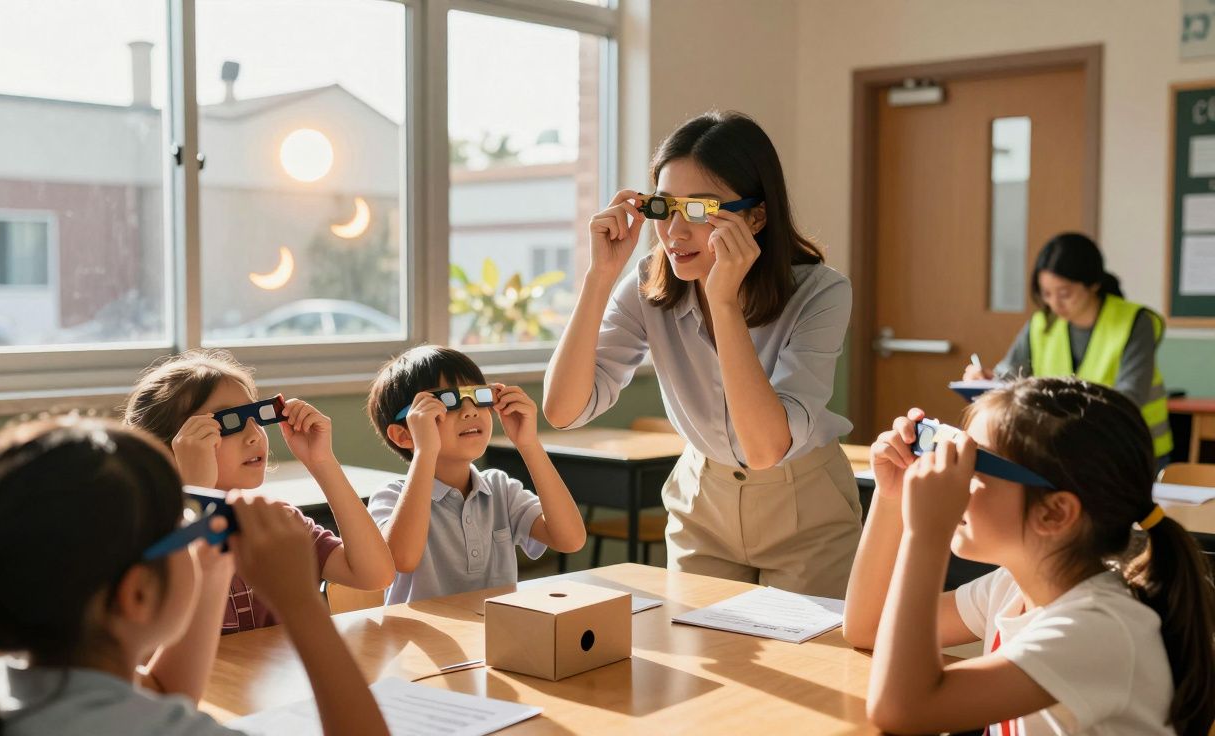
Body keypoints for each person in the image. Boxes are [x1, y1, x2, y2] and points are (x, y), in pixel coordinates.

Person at [0, 417, 388, 736]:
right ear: (136, 594)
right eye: (183, 525)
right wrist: (301, 605)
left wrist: (213, 567)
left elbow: (165, 692)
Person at [543, 110, 860, 597]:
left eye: (698, 210)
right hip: (702, 502)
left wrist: (724, 302)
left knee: (804, 667)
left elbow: (764, 448)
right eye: (663, 207)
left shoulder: (822, 293)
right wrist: (599, 277)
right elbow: (563, 411)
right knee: (698, 661)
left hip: (804, 506)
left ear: (756, 216)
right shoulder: (649, 284)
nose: (673, 231)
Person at [844, 377, 1215, 735]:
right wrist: (892, 497)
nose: (948, 476)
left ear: (1054, 512)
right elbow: (867, 627)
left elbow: (904, 710)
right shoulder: (1011, 587)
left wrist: (925, 534)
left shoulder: (1098, 628)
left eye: (973, 464)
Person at [124, 349, 394, 633]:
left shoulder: (277, 522)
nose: (255, 435)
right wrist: (195, 493)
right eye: (230, 423)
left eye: (255, 416)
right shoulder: (145, 537)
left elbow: (375, 575)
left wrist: (323, 463)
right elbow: (161, 620)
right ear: (170, 449)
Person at [365, 345, 586, 604]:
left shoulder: (500, 489)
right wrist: (425, 451)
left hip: (493, 636)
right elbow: (402, 559)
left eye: (479, 396)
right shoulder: (391, 496)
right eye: (446, 401)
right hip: (423, 642)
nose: (470, 410)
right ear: (404, 435)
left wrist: (528, 444)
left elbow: (570, 539)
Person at [963, 232, 1172, 460]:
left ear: (1093, 284)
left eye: (1064, 293)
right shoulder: (1042, 324)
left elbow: (1130, 397)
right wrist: (986, 378)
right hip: (1065, 450)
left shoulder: (1134, 321)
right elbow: (1008, 375)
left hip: (1130, 449)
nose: (1054, 303)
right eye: (1046, 294)